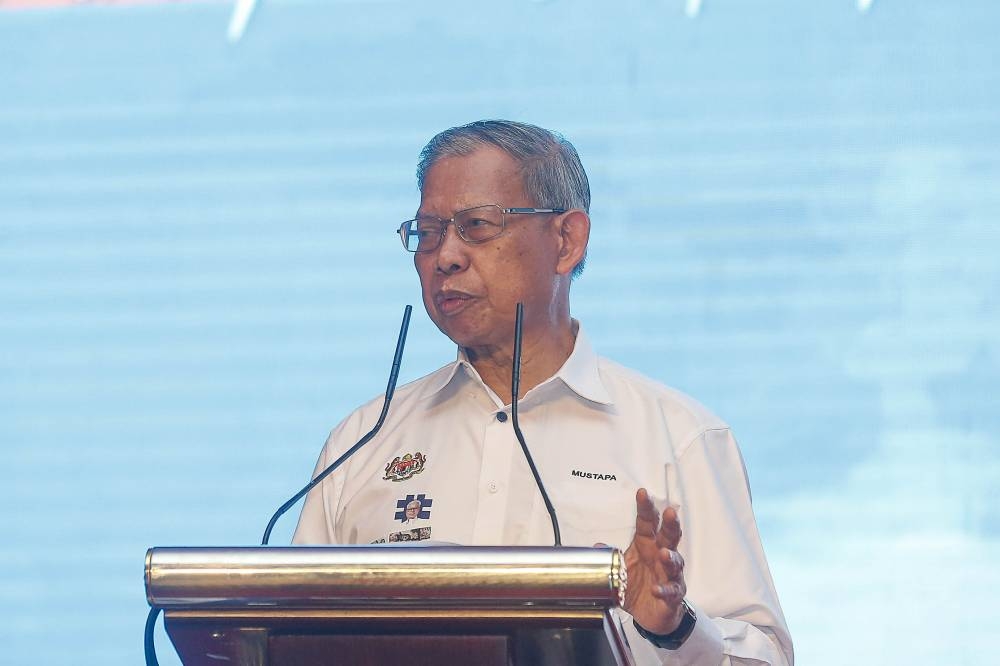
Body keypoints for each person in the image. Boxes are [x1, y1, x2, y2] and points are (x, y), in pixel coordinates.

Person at [293, 120, 793, 665]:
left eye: (477, 226)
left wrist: (673, 628)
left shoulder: (680, 437)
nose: (445, 257)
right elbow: (285, 638)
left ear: (566, 240)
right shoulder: (362, 442)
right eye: (428, 232)